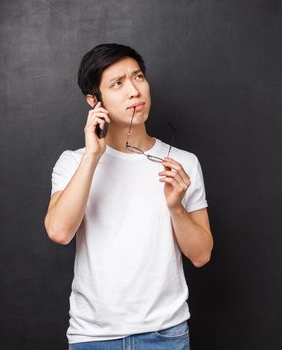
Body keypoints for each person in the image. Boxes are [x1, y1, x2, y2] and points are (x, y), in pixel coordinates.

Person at [44, 43, 213, 350]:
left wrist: (176, 208)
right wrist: (93, 157)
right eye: (117, 83)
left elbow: (201, 255)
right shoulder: (73, 162)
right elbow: (59, 232)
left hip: (166, 335)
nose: (134, 91)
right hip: (94, 338)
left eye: (138, 77)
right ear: (94, 100)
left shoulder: (183, 163)